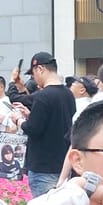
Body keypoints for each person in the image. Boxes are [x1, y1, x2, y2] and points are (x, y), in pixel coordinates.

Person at [18, 52, 75, 196]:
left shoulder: (43, 96)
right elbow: (56, 121)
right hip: (62, 165)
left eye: (33, 74)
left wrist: (19, 121)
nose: (34, 79)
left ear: (40, 69)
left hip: (43, 167)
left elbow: (34, 129)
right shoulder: (68, 94)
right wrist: (31, 116)